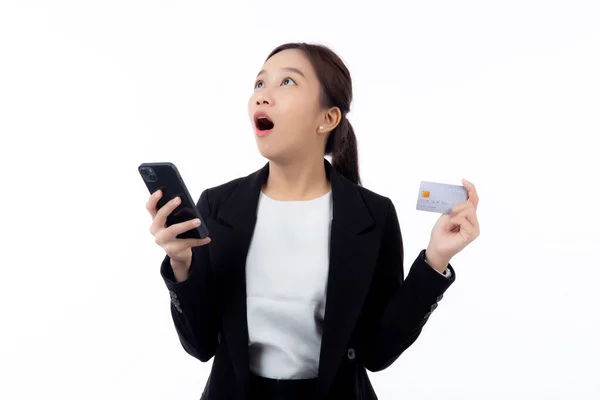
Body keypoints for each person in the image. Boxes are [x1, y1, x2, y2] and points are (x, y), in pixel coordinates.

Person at [145, 42, 480, 400]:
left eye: (286, 83)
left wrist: (435, 261)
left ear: (328, 118)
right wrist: (181, 266)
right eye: (259, 84)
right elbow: (200, 345)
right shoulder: (218, 205)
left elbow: (377, 352)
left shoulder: (372, 215)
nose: (262, 96)